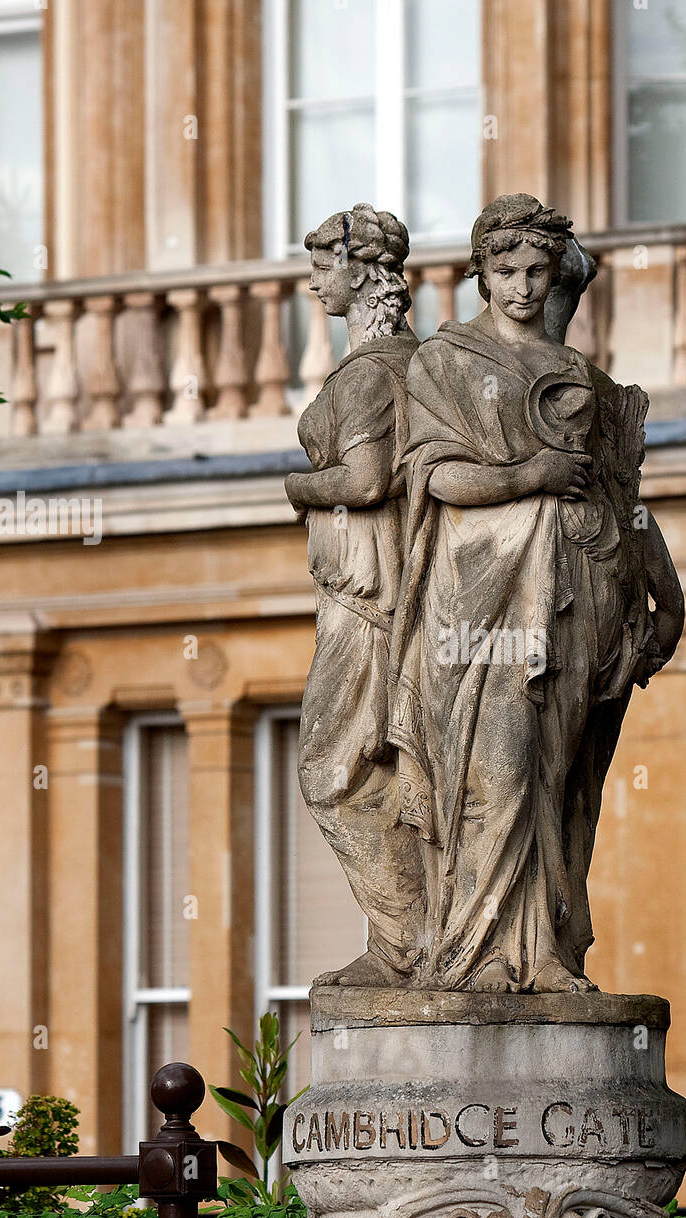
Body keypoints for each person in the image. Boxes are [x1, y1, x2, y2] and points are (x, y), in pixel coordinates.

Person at [387, 194, 683, 993]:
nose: (522, 286)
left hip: (577, 590)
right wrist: (527, 476)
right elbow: (431, 475)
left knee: (558, 776)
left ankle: (545, 951)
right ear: (479, 273)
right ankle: (478, 953)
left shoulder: (581, 377)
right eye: (506, 270)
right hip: (480, 600)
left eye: (537, 272)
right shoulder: (443, 363)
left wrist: (666, 596)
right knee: (496, 767)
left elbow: (625, 500)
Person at [284, 203, 424, 986]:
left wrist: (297, 486)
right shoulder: (411, 363)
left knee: (331, 770)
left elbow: (366, 480)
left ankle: (405, 944)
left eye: (320, 269)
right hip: (373, 590)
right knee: (386, 768)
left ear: (360, 269)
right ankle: (409, 939)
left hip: (365, 596)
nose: (313, 287)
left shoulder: (372, 373)